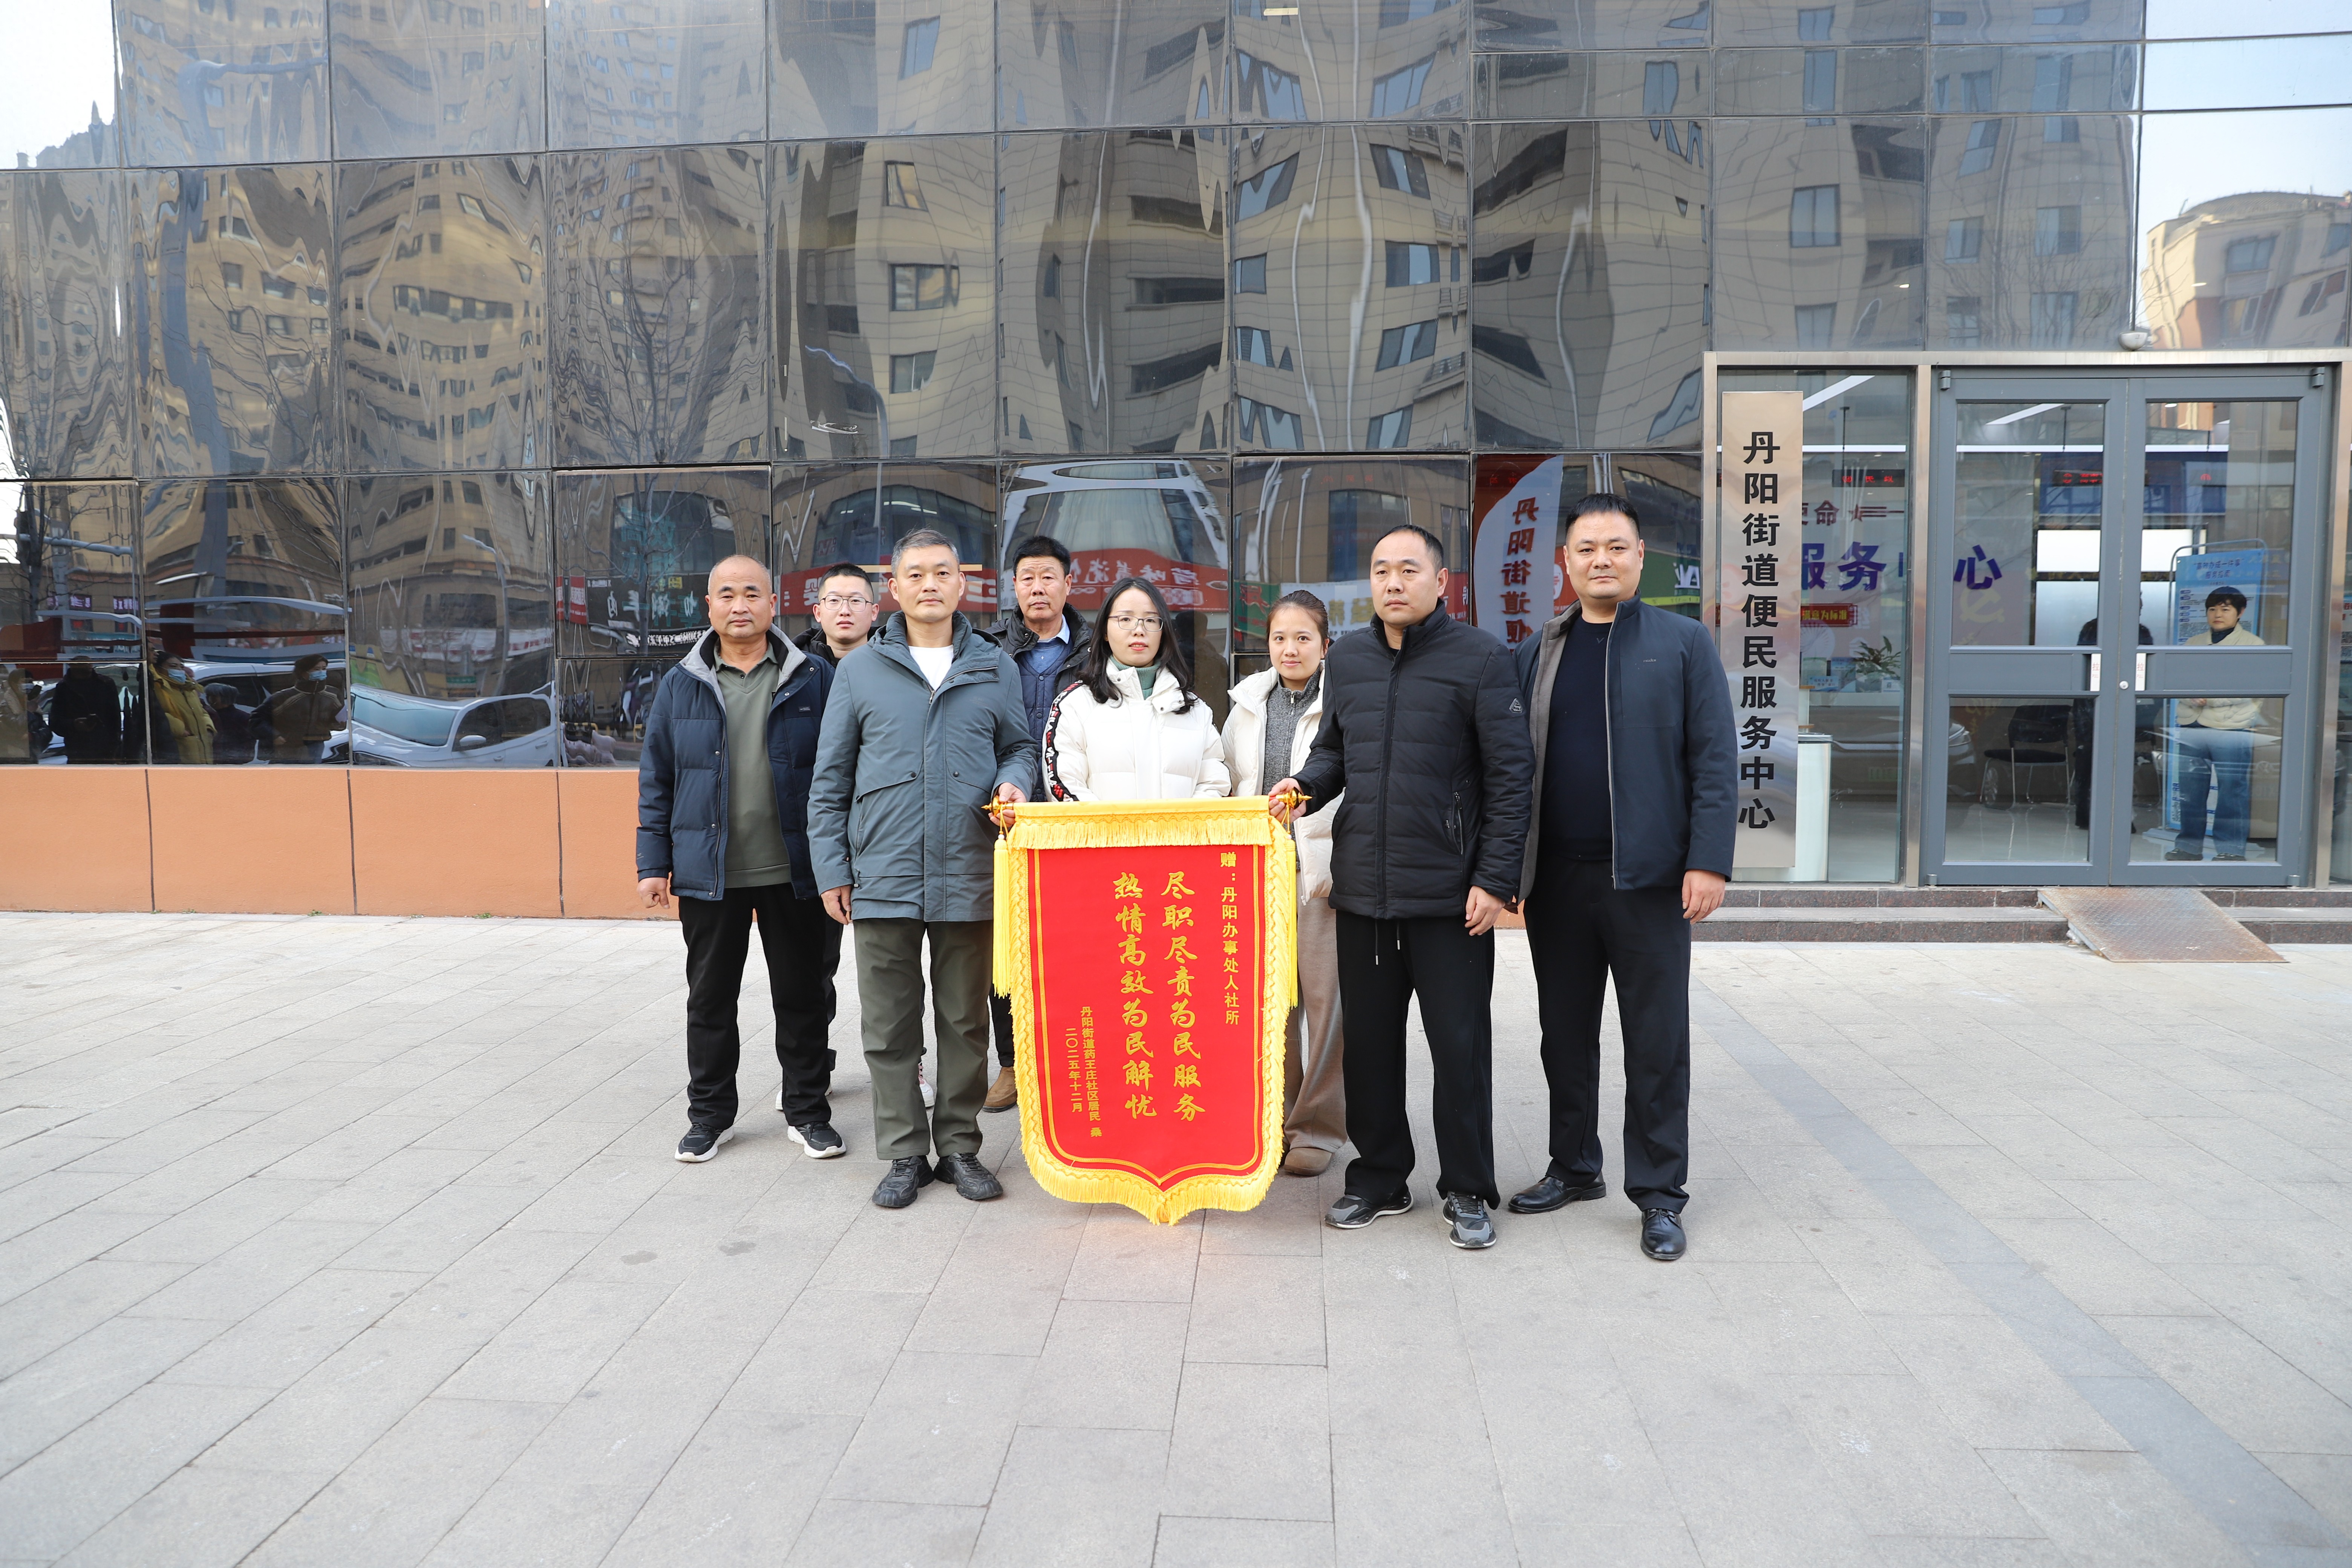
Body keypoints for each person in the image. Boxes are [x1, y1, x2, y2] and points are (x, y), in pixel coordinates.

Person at [1269, 524, 1533, 1251]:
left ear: (1441, 582)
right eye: (1381, 569)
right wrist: (1303, 786)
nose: (1392, 581)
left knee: (1460, 1049)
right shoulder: (1349, 659)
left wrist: (1496, 881)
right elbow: (1335, 753)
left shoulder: (1482, 658)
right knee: (1370, 1050)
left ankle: (1468, 1189)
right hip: (1364, 892)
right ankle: (1381, 1177)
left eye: (1408, 569)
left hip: (1452, 900)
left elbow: (1513, 779)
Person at [1507, 493, 1735, 1264]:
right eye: (1586, 548)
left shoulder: (1682, 643)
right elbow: (1510, 765)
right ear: (1565, 563)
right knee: (1564, 1037)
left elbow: (1715, 759)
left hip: (1651, 882)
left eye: (1615, 546)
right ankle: (1574, 1167)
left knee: (1657, 1041)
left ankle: (1660, 1194)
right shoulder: (1540, 649)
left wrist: (1708, 860)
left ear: (1641, 556)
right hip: (1557, 882)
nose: (1600, 559)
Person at [808, 528, 1037, 1209]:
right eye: (916, 574)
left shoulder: (994, 666)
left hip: (969, 867)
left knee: (964, 1022)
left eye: (943, 572)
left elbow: (1019, 747)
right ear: (894, 588)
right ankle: (905, 1152)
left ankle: (960, 1147)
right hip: (883, 870)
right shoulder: (860, 671)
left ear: (963, 585)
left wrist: (1015, 781)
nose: (930, 584)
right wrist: (832, 870)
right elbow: (830, 780)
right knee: (889, 1026)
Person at [637, 555, 846, 1164]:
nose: (739, 605)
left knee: (803, 998)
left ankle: (809, 1112)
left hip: (794, 869)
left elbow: (840, 773)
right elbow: (658, 777)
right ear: (709, 606)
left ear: (773, 604)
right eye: (726, 594)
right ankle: (710, 1118)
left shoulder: (813, 677)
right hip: (710, 871)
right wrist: (652, 863)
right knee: (710, 1001)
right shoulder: (682, 682)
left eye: (752, 593)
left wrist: (840, 863)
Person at [1222, 590, 1344, 1178]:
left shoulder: (1343, 699)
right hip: (1256, 875)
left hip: (1322, 871)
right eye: (1279, 638)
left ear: (1325, 644)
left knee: (1326, 1004)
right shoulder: (1247, 701)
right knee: (1271, 1003)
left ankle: (1318, 1126)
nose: (1290, 649)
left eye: (1303, 638)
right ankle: (1275, 1118)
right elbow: (1227, 781)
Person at [977, 536, 1094, 1113]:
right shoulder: (988, 647)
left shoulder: (1097, 648)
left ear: (1069, 584)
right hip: (1007, 817)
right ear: (1014, 586)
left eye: (1049, 577)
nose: (1038, 588)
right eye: (1027, 578)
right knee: (1007, 947)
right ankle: (1012, 1062)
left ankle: (1076, 1057)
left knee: (1076, 946)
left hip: (1075, 820)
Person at [1042, 577, 1230, 801]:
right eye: (1126, 619)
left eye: (1151, 620)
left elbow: (1215, 785)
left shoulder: (1195, 710)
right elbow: (1065, 785)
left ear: (1164, 632)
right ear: (1104, 631)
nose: (1139, 630)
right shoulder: (1075, 705)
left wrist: (1177, 824)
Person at [2168, 585, 2266, 862]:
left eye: (2225, 609)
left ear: (2240, 612)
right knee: (2190, 790)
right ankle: (2188, 847)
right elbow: (2175, 680)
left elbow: (2250, 688)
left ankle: (2230, 850)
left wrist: (2210, 698)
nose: (2217, 614)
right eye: (2212, 609)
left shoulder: (2253, 645)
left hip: (2231, 728)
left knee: (2232, 790)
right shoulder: (2193, 643)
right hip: (2192, 724)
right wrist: (2190, 696)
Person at [798, 561, 880, 667]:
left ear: (874, 612)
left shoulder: (894, 664)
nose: (845, 611)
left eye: (855, 601)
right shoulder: (795, 666)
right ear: (818, 613)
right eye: (834, 600)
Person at [267, 654, 342, 763]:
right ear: (303, 673)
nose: (321, 672)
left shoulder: (333, 694)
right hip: (288, 745)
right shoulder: (286, 696)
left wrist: (338, 724)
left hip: (316, 743)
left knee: (312, 771)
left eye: (324, 669)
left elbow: (338, 719)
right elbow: (260, 719)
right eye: (316, 669)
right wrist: (275, 736)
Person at [51, 660, 122, 764]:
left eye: (88, 663)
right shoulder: (63, 687)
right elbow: (55, 722)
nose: (87, 666)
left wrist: (116, 747)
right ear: (72, 666)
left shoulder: (106, 684)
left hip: (104, 749)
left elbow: (115, 719)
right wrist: (74, 725)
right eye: (82, 663)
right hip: (78, 750)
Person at [150, 654, 214, 765]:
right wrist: (180, 730)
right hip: (180, 749)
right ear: (158, 669)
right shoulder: (158, 688)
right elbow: (157, 713)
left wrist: (209, 729)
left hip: (203, 752)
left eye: (181, 667)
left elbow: (202, 712)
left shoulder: (189, 689)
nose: (179, 670)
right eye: (173, 666)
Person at [205, 683, 265, 764]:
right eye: (208, 696)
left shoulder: (242, 718)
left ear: (225, 698)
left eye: (213, 696)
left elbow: (249, 741)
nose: (209, 699)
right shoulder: (209, 715)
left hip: (235, 761)